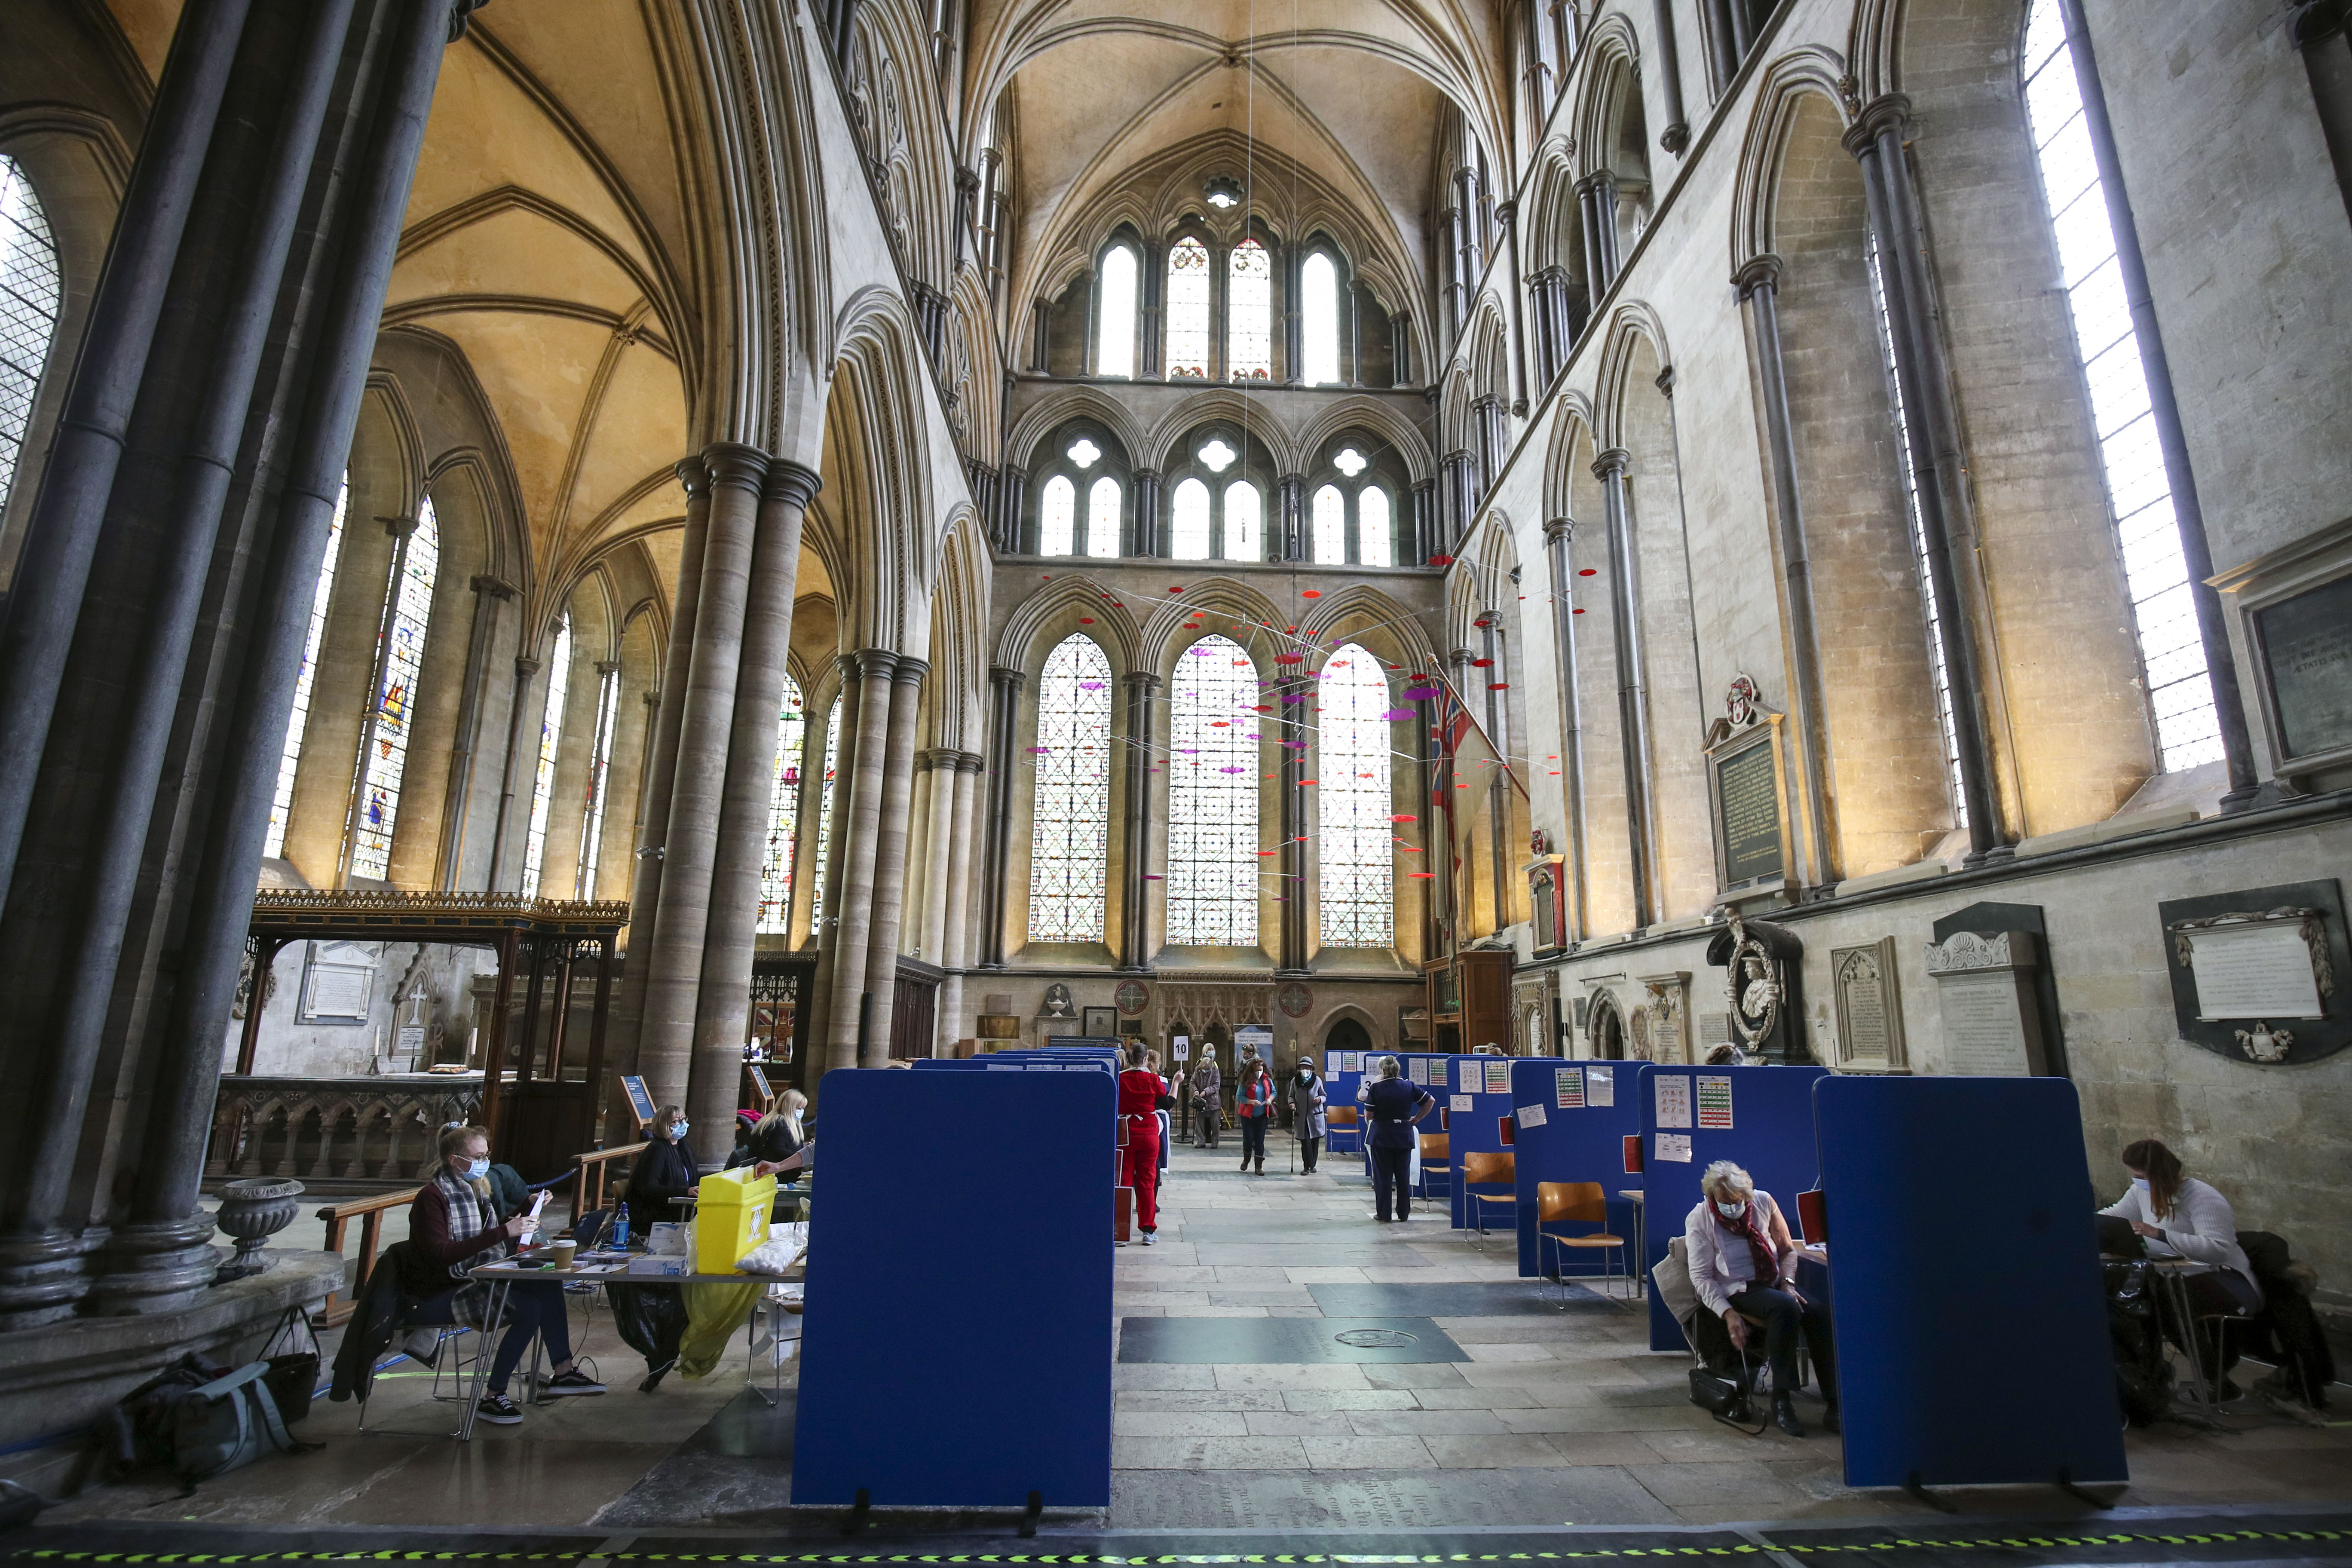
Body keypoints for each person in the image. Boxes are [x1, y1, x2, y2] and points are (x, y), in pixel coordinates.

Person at [399, 1124, 605, 1423]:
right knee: (528, 1309)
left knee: (547, 1285)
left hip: (478, 1276)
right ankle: (493, 1396)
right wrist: (504, 1232)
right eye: (478, 1156)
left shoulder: (476, 1189)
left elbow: (486, 1232)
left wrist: (527, 1208)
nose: (484, 1161)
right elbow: (442, 1254)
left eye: (486, 1155)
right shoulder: (433, 1196)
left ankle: (563, 1372)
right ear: (455, 1159)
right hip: (444, 1288)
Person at [1683, 1159, 1836, 1438]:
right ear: (1711, 1197)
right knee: (1785, 1308)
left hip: (1774, 1283)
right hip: (1738, 1289)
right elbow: (1702, 1278)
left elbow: (1788, 1251)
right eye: (1724, 1201)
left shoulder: (1763, 1202)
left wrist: (1788, 1283)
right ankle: (1782, 1400)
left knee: (1818, 1313)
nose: (1733, 1207)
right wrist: (1728, 1315)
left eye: (1738, 1201)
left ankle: (1834, 1402)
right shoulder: (1700, 1218)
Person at [2100, 1137, 2262, 1393]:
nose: (2136, 1181)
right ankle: (2147, 1376)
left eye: (2140, 1175)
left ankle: (2215, 1381)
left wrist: (2159, 1234)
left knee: (2162, 1300)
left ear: (2159, 1174)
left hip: (2228, 1280)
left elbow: (2219, 1250)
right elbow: (2115, 1215)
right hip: (2181, 1275)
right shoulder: (2141, 1191)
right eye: (2134, 1176)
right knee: (2135, 1294)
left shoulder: (2202, 1197)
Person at [1360, 1056, 1435, 1222]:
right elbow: (1430, 1101)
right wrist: (1416, 1119)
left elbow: (1369, 1114)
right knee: (1403, 1177)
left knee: (1383, 1177)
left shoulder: (1376, 1088)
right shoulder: (1409, 1086)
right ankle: (1403, 1213)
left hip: (1382, 1136)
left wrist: (1372, 1124)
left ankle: (1384, 1214)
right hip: (1403, 1135)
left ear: (1383, 1070)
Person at [1118, 1042, 1174, 1244]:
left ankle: (1120, 1231)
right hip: (1149, 1134)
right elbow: (1167, 1103)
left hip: (1125, 1134)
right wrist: (1176, 1083)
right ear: (1145, 1060)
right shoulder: (1152, 1079)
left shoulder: (1120, 1079)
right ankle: (1148, 1231)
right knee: (1147, 1182)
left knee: (1124, 1181)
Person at [630, 1104, 699, 1219]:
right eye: (677, 1122)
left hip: (680, 1206)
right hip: (655, 1212)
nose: (683, 1124)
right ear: (664, 1125)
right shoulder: (658, 1149)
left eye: (684, 1120)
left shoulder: (683, 1145)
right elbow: (650, 1188)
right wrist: (686, 1192)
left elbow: (690, 1174)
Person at [1235, 1056, 1275, 1174]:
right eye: (1257, 1070)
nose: (1259, 1072)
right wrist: (1251, 1102)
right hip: (1248, 1115)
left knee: (1260, 1141)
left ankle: (1259, 1167)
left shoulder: (1267, 1080)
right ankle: (1246, 1159)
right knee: (1248, 1139)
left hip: (1262, 1115)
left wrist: (1270, 1100)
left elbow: (1274, 1092)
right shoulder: (1246, 1081)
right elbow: (1239, 1096)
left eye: (1261, 1070)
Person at [1287, 1056, 1326, 1175]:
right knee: (1305, 1142)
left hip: (1315, 1116)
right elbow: (1291, 1095)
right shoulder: (1295, 1081)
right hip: (1302, 1117)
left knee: (1315, 1142)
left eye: (1307, 1067)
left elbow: (1324, 1095)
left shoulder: (1317, 1081)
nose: (1305, 1069)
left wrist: (1319, 1099)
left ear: (1311, 1069)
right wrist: (1292, 1103)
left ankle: (1312, 1165)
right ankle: (1307, 1166)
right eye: (1303, 1067)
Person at [1190, 1052, 1222, 1148]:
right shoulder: (1198, 1070)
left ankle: (1215, 1141)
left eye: (1207, 1070)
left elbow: (1217, 1085)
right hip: (1200, 1100)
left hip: (1213, 1100)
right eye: (1204, 1069)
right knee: (1199, 1122)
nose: (1205, 1072)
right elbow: (1192, 1083)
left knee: (1215, 1122)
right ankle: (1201, 1141)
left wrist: (1206, 1091)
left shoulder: (1216, 1071)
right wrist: (1195, 1091)